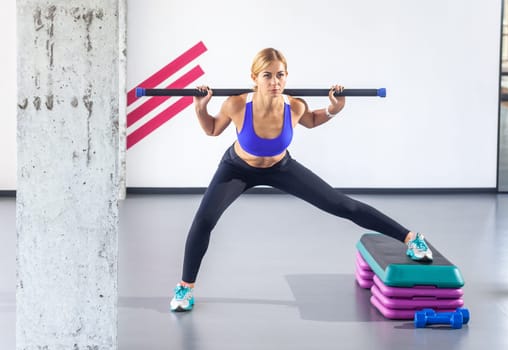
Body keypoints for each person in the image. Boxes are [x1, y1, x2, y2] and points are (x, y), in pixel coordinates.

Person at [170, 48, 433, 312]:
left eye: (280, 75)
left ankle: (411, 238)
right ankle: (185, 288)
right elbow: (212, 129)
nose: (275, 82)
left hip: (280, 168)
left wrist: (333, 109)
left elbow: (312, 120)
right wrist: (199, 107)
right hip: (237, 169)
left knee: (342, 205)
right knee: (204, 221)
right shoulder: (237, 104)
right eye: (267, 76)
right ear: (254, 77)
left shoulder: (294, 105)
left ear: (286, 77)